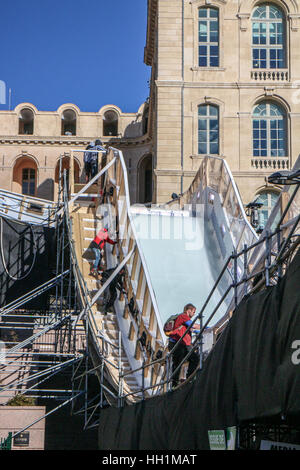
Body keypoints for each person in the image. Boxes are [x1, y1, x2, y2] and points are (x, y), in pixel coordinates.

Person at [167, 303, 200, 388]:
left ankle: (177, 383)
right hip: (179, 344)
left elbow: (192, 329)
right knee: (192, 359)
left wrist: (199, 331)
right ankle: (185, 381)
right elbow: (193, 325)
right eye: (193, 312)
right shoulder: (184, 316)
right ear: (188, 310)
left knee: (180, 362)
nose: (194, 314)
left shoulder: (184, 320)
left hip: (180, 344)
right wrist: (206, 327)